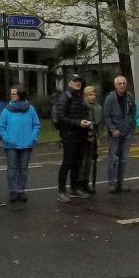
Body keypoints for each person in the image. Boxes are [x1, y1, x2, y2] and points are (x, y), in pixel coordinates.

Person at [0, 85, 41, 202]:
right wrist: (7, 138)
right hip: (11, 145)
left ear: (20, 94)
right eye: (11, 93)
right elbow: (0, 127)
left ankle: (21, 191)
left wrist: (33, 138)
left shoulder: (30, 109)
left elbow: (36, 125)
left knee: (23, 169)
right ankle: (13, 191)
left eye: (14, 93)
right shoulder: (7, 109)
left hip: (27, 145)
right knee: (12, 168)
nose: (12, 95)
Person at [55, 73, 92, 203]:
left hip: (80, 134)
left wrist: (87, 122)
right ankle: (61, 190)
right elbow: (61, 117)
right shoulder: (65, 97)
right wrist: (78, 123)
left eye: (79, 81)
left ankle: (75, 187)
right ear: (69, 82)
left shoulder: (79, 97)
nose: (78, 83)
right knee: (68, 162)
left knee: (78, 162)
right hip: (69, 135)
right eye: (75, 81)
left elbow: (83, 113)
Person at [103, 75, 136, 193]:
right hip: (115, 133)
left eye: (124, 83)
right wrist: (112, 129)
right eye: (119, 84)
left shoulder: (129, 97)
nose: (122, 85)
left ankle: (120, 182)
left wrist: (132, 127)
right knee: (113, 158)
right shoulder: (110, 98)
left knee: (124, 159)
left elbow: (133, 112)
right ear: (116, 85)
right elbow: (106, 116)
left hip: (127, 132)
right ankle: (112, 183)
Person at [77, 86, 103, 194]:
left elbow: (100, 125)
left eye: (94, 95)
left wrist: (99, 138)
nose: (92, 97)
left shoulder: (98, 108)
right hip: (83, 136)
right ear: (85, 95)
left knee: (89, 161)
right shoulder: (81, 106)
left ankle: (86, 182)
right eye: (90, 95)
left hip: (93, 136)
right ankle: (78, 183)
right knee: (82, 161)